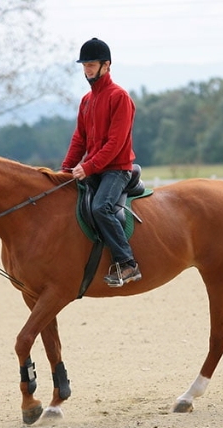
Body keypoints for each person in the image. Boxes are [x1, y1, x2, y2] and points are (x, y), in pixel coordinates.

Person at [61, 38, 142, 288]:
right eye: (84, 65)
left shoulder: (119, 97)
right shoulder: (86, 101)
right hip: (95, 168)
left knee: (100, 208)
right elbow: (79, 140)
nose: (87, 69)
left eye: (91, 64)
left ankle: (128, 263)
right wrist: (64, 170)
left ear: (106, 65)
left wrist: (87, 167)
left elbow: (116, 143)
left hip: (116, 170)